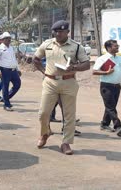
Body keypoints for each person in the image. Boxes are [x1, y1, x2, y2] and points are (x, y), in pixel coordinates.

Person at [32, 20, 90, 155]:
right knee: (43, 113)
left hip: (69, 82)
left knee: (69, 115)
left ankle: (66, 143)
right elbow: (36, 59)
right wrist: (43, 72)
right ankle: (45, 133)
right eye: (56, 31)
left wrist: (74, 67)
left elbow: (86, 64)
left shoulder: (76, 47)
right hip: (50, 82)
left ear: (67, 32)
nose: (58, 34)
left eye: (61, 32)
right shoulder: (47, 44)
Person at [92, 39, 121, 136]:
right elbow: (94, 71)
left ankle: (104, 124)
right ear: (109, 48)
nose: (117, 46)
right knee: (111, 107)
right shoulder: (102, 58)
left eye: (117, 45)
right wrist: (106, 72)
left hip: (117, 86)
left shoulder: (120, 58)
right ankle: (118, 126)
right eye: (115, 46)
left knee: (110, 106)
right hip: (106, 86)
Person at [0, 32, 21, 111]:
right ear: (3, 40)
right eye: (7, 38)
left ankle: (6, 98)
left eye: (9, 38)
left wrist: (18, 69)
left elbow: (14, 59)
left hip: (13, 70)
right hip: (4, 70)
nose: (9, 40)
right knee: (5, 86)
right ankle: (6, 104)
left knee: (17, 84)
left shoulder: (11, 48)